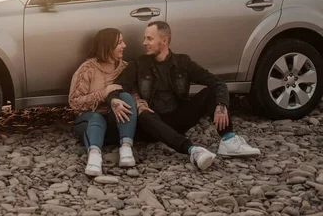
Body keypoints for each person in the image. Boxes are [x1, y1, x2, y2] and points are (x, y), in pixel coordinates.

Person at [107, 21, 261, 170]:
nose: (144, 43)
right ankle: (192, 150)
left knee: (211, 92)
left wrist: (222, 105)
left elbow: (217, 83)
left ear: (164, 40)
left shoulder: (183, 62)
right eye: (145, 38)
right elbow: (117, 87)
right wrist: (114, 99)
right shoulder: (139, 64)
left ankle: (228, 140)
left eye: (149, 38)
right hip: (151, 124)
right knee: (144, 114)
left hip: (177, 118)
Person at [69, 28, 143, 176]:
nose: (125, 46)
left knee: (126, 97)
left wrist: (141, 106)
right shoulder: (87, 69)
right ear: (107, 46)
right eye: (120, 42)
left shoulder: (125, 68)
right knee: (96, 118)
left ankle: (126, 147)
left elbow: (135, 94)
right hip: (89, 123)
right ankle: (94, 156)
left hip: (117, 124)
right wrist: (103, 94)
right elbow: (74, 102)